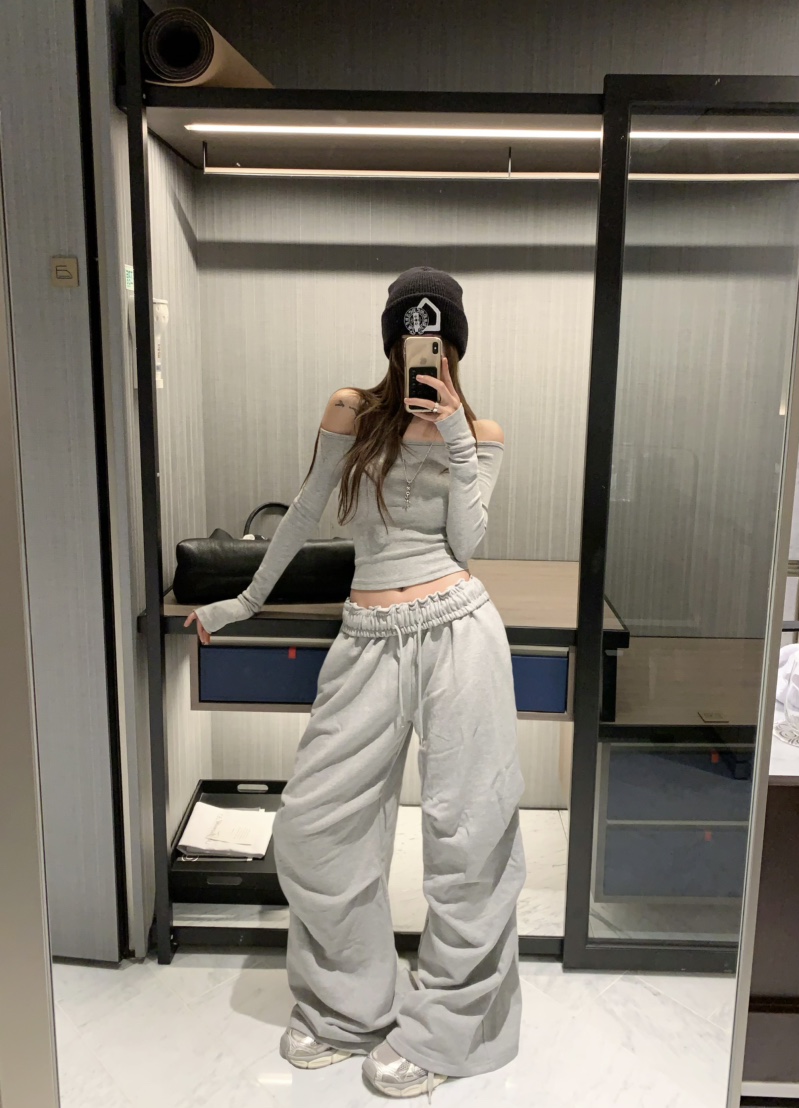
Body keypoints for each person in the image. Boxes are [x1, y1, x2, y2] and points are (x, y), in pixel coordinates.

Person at [184, 267, 526, 1102]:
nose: (423, 348)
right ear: (392, 341)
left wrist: (455, 438)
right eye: (411, 335)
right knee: (314, 829)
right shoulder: (351, 411)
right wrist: (244, 601)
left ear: (454, 344)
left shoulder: (481, 430)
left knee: (469, 836)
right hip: (368, 639)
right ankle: (350, 1007)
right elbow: (305, 511)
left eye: (436, 336)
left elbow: (468, 543)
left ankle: (448, 1029)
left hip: (458, 628)